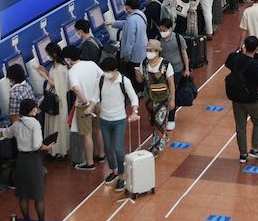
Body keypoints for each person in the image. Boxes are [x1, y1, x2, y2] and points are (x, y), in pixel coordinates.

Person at [0, 99, 52, 220]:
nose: (36, 109)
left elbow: (5, 133)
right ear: (30, 110)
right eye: (34, 107)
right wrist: (47, 147)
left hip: (22, 160)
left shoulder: (17, 123)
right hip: (33, 160)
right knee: (38, 196)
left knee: (23, 195)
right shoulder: (34, 123)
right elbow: (36, 145)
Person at [225, 36, 258, 163]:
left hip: (236, 98)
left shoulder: (236, 59)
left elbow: (228, 62)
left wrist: (239, 52)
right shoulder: (255, 65)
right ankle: (254, 149)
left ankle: (243, 154)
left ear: (245, 45)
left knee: (240, 127)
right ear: (257, 48)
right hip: (251, 99)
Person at [97, 57, 141, 190]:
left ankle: (122, 176)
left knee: (118, 149)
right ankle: (114, 170)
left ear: (115, 70)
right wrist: (90, 106)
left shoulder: (124, 81)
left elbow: (134, 97)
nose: (106, 73)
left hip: (119, 120)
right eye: (104, 71)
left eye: (108, 71)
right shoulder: (100, 80)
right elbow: (94, 97)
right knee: (108, 149)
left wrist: (134, 112)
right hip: (104, 120)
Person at [61, 45, 104, 171]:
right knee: (98, 130)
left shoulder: (72, 71)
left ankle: (89, 163)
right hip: (97, 102)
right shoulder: (91, 64)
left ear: (69, 59)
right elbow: (102, 77)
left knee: (87, 134)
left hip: (84, 107)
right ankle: (101, 155)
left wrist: (85, 102)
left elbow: (76, 88)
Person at [134, 40, 175, 154]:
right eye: (147, 50)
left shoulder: (166, 65)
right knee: (152, 121)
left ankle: (155, 148)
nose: (148, 52)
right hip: (149, 99)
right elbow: (141, 80)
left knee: (159, 122)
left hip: (162, 99)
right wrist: (138, 75)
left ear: (157, 52)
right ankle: (163, 137)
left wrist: (172, 100)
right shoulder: (144, 63)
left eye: (151, 50)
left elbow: (171, 84)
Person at [34, 42, 71, 159]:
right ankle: (53, 150)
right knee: (54, 125)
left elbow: (58, 86)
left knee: (58, 126)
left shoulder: (61, 68)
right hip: (53, 100)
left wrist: (44, 76)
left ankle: (59, 152)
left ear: (54, 54)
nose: (47, 56)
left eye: (48, 54)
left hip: (58, 101)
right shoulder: (56, 65)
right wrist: (45, 71)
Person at [155, 18, 190, 131]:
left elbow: (184, 54)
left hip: (177, 70)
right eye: (160, 30)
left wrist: (187, 69)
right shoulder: (158, 40)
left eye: (164, 30)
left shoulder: (178, 39)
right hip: (163, 72)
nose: (162, 32)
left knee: (171, 93)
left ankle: (171, 118)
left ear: (170, 29)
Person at [107, 0, 148, 89]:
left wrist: (126, 55)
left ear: (128, 7)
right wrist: (112, 23)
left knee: (134, 77)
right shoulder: (140, 14)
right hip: (142, 51)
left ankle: (138, 92)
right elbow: (126, 23)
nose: (124, 7)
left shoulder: (132, 20)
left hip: (134, 56)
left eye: (125, 5)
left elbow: (130, 41)